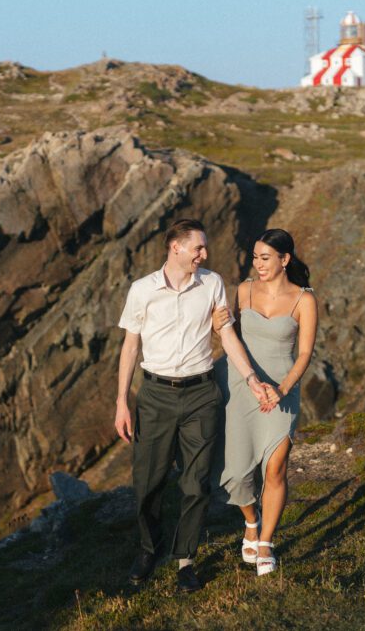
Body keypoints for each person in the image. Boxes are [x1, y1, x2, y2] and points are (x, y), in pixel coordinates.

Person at [114, 219, 279, 594]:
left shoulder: (213, 284)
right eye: (198, 248)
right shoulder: (143, 290)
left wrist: (252, 379)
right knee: (147, 483)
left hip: (201, 394)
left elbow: (227, 336)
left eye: (204, 249)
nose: (204, 255)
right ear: (176, 248)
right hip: (154, 395)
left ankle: (185, 560)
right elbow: (129, 347)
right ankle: (148, 548)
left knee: (195, 482)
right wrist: (122, 402)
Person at [212, 228, 317, 576]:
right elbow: (232, 338)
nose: (258, 264)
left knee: (275, 469)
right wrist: (217, 326)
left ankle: (267, 542)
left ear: (285, 260)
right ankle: (251, 520)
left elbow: (304, 353)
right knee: (238, 472)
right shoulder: (243, 290)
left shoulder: (305, 300)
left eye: (265, 258)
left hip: (282, 390)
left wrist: (283, 388)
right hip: (241, 388)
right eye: (255, 257)